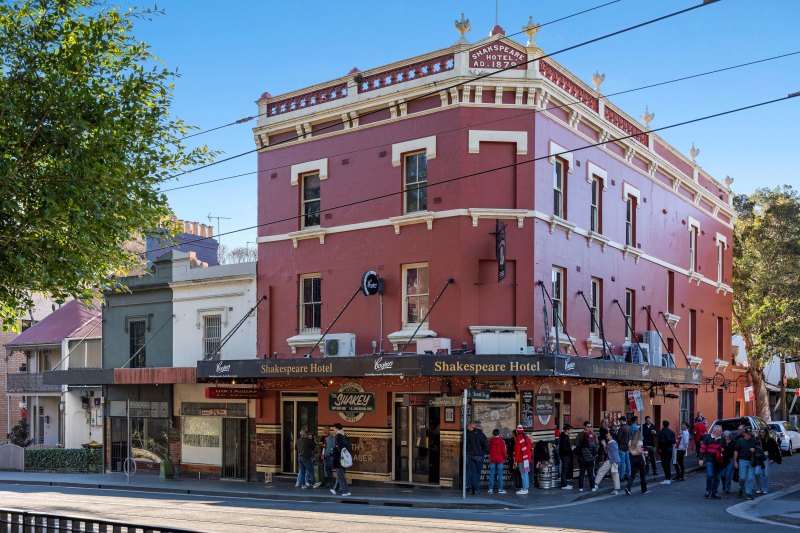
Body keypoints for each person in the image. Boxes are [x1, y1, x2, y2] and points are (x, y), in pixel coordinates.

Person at [699, 424, 724, 499]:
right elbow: (703, 448)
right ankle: (708, 490)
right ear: (715, 431)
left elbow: (725, 450)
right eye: (720, 431)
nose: (721, 432)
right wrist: (701, 459)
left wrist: (723, 450)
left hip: (718, 461)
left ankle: (714, 492)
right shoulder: (707, 438)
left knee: (717, 477)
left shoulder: (722, 439)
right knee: (710, 475)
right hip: (709, 459)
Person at [734, 429, 760, 500]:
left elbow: (759, 449)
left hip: (751, 461)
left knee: (751, 478)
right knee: (742, 477)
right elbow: (736, 451)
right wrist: (735, 461)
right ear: (744, 434)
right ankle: (741, 488)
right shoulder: (740, 441)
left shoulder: (754, 440)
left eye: (750, 434)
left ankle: (749, 493)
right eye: (747, 434)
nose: (749, 436)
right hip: (742, 461)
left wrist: (755, 450)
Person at [755, 428, 781, 495]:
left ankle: (765, 488)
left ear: (766, 433)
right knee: (757, 473)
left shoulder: (770, 440)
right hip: (759, 458)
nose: (761, 433)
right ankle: (759, 487)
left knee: (765, 474)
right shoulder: (757, 440)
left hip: (766, 458)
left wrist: (773, 458)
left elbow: (776, 449)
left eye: (763, 432)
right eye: (760, 432)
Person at [465, 420, 488, 495]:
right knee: (477, 472)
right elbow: (485, 445)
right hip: (479, 455)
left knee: (471, 472)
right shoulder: (481, 434)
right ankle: (476, 489)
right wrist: (483, 451)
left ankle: (471, 487)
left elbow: (465, 444)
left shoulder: (468, 434)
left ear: (472, 426)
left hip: (470, 455)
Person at [575, 421, 597, 492]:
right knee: (590, 473)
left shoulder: (593, 434)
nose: (589, 428)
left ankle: (580, 488)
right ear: (584, 427)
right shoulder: (580, 435)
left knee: (582, 473)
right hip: (590, 458)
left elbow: (577, 447)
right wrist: (594, 455)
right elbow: (596, 446)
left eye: (590, 427)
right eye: (588, 426)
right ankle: (592, 487)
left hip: (582, 458)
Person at [331, 423, 352, 496]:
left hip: (339, 459)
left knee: (341, 476)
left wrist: (333, 450)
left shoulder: (338, 436)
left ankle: (345, 492)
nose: (333, 429)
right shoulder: (345, 435)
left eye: (334, 428)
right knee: (341, 475)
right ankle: (335, 489)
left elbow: (338, 447)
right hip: (345, 458)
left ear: (336, 428)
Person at [624, 431, 648, 495]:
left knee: (632, 475)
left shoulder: (630, 442)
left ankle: (628, 487)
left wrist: (633, 453)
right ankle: (644, 490)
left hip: (632, 459)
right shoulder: (640, 442)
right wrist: (645, 452)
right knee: (642, 475)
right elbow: (639, 451)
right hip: (639, 458)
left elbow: (630, 452)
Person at [513, 424, 533, 495]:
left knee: (523, 474)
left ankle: (525, 489)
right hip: (527, 459)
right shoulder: (527, 437)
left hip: (521, 459)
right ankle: (525, 487)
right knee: (526, 473)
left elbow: (517, 451)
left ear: (517, 431)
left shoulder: (518, 438)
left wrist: (516, 461)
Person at [487, 428, 507, 494]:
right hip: (500, 459)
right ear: (499, 434)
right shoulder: (502, 441)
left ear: (493, 434)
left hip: (492, 459)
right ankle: (500, 489)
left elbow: (489, 449)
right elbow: (504, 451)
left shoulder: (490, 441)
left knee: (491, 474)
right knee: (500, 475)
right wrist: (505, 457)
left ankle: (490, 489)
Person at [657, 420, 676, 485]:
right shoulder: (671, 432)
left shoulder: (661, 432)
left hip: (664, 449)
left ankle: (667, 478)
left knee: (665, 464)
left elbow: (660, 441)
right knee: (668, 463)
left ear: (663, 425)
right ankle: (668, 477)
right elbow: (674, 441)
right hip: (670, 449)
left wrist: (659, 448)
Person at [616, 416, 632, 481]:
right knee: (628, 461)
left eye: (620, 420)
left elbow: (619, 438)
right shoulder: (629, 428)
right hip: (628, 447)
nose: (619, 422)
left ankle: (621, 476)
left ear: (622, 421)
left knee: (622, 462)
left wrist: (616, 434)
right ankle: (628, 475)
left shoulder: (621, 428)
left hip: (622, 447)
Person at [559, 423, 574, 490]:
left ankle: (564, 484)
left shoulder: (563, 436)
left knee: (564, 470)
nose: (571, 431)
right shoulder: (565, 438)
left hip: (563, 455)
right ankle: (564, 485)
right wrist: (571, 449)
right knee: (564, 470)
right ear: (567, 430)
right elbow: (565, 449)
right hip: (565, 456)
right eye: (570, 430)